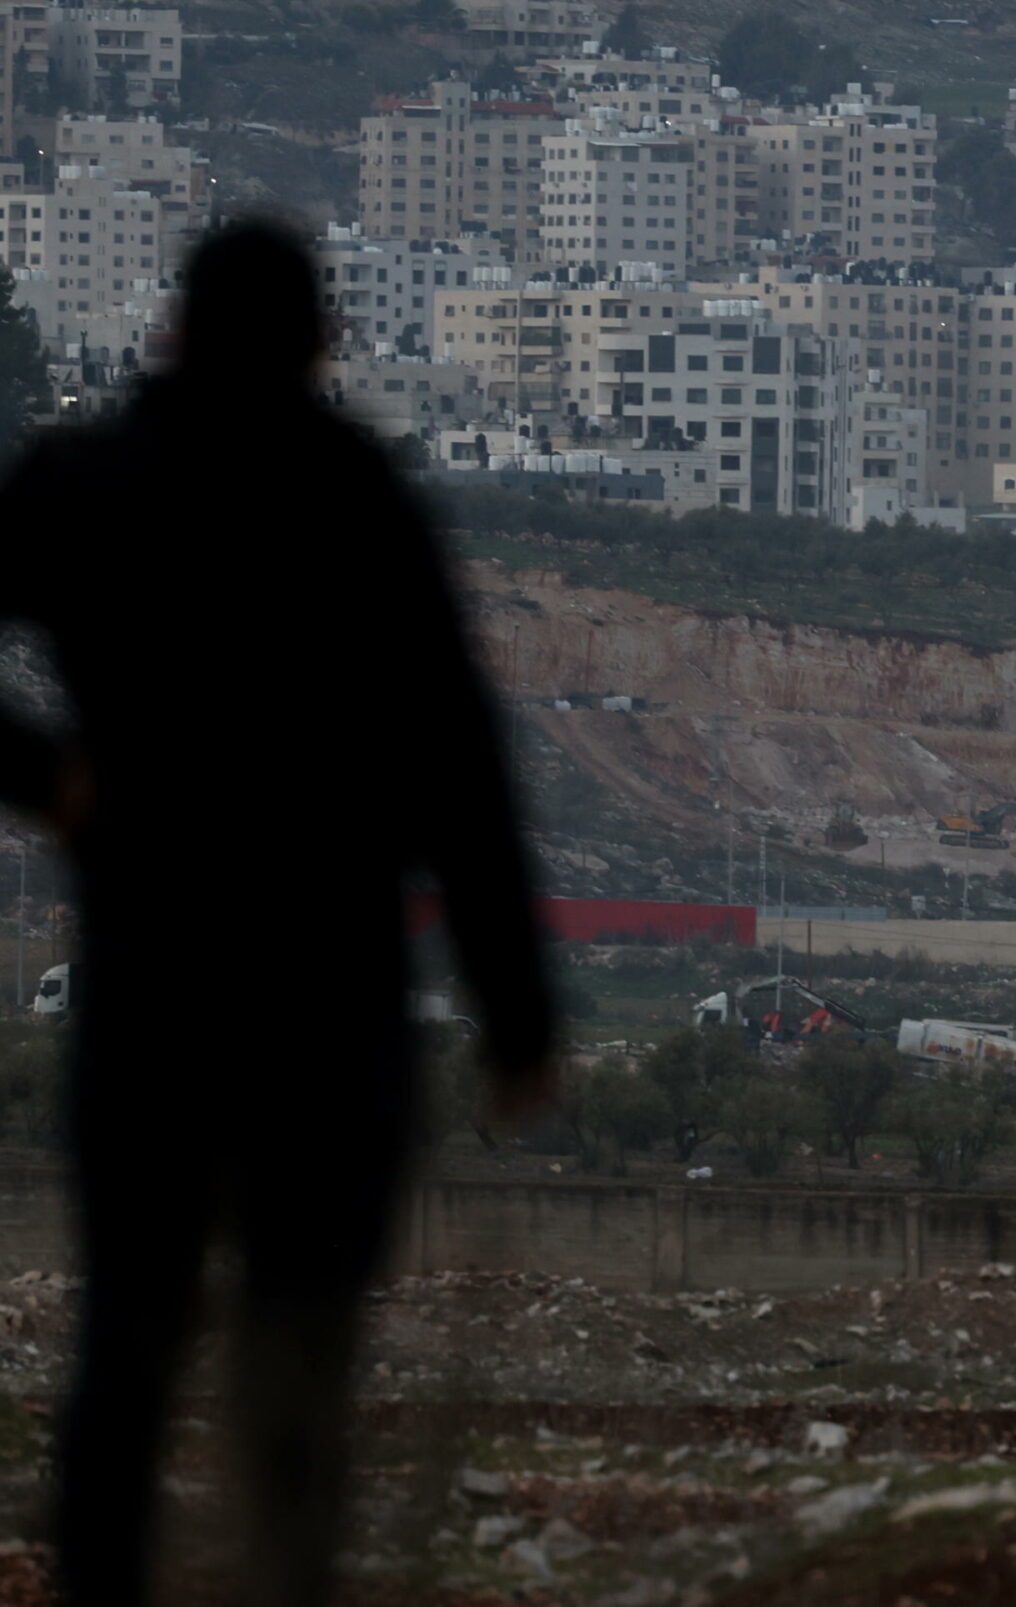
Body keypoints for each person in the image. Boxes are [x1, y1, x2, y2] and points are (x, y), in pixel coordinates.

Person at [0, 219, 558, 1607]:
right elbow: (461, 772)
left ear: (172, 330)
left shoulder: (89, 484)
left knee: (128, 1339)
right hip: (329, 999)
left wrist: (46, 778)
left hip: (150, 986)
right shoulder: (360, 502)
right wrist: (517, 1017)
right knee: (297, 1337)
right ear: (322, 344)